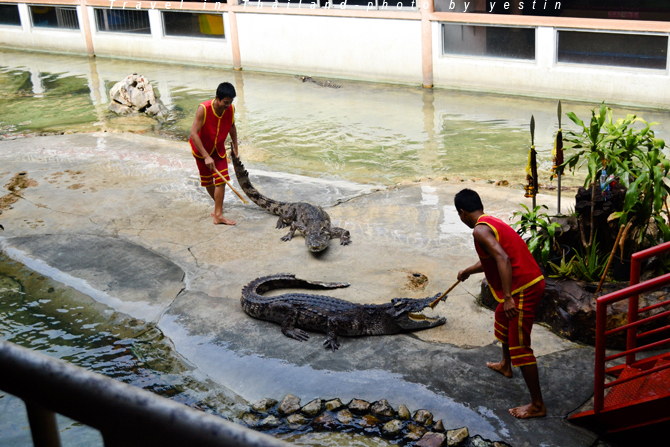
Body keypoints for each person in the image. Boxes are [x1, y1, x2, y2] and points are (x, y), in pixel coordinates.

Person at [454, 188, 547, 419]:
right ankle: (506, 365)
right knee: (501, 316)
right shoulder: (489, 222)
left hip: (523, 287)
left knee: (521, 346)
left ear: (462, 212)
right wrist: (468, 271)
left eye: (460, 214)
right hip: (525, 281)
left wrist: (508, 298)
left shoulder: (479, 230)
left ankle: (537, 405)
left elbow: (503, 258)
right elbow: (494, 255)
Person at [189, 82, 239, 225]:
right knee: (208, 182)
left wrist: (235, 146)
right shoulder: (203, 109)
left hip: (218, 150)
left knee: (221, 180)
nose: (228, 105)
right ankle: (218, 208)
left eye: (230, 102)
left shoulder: (231, 109)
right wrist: (206, 156)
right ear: (217, 98)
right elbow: (193, 134)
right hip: (201, 150)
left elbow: (232, 126)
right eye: (225, 102)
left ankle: (218, 214)